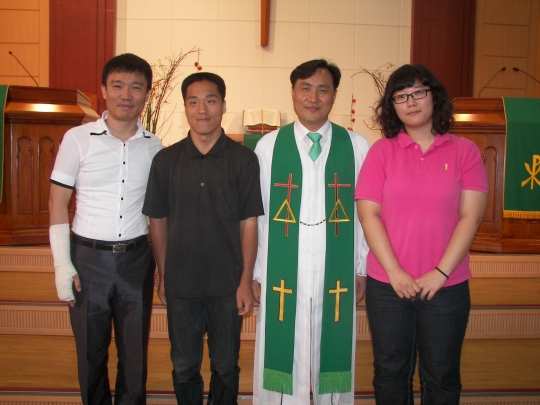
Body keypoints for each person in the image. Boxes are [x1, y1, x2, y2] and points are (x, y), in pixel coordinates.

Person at [355, 64, 488, 405]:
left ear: (434, 96)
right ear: (391, 106)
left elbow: (470, 217)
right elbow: (369, 215)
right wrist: (395, 272)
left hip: (446, 286)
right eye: (400, 96)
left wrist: (440, 273)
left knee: (441, 376)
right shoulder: (381, 152)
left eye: (418, 92)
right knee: (390, 372)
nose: (410, 102)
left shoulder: (465, 151)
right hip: (388, 285)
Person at [252, 59, 370, 405]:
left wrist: (361, 267)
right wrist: (258, 271)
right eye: (305, 88)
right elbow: (258, 213)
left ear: (334, 95)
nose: (313, 98)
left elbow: (366, 214)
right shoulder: (268, 147)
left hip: (336, 263)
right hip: (283, 263)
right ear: (293, 93)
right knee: (282, 341)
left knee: (333, 339)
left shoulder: (356, 146)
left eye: (323, 89)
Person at [142, 72, 264, 405]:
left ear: (223, 105)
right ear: (185, 107)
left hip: (228, 285)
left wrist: (245, 280)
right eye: (193, 101)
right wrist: (164, 274)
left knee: (225, 367)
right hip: (182, 285)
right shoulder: (166, 160)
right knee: (184, 367)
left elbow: (249, 222)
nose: (202, 109)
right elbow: (157, 221)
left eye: (210, 101)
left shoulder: (243, 159)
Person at [48, 53, 162, 405]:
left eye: (136, 87)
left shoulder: (155, 147)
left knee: (134, 355)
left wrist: (162, 263)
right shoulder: (77, 139)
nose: (126, 95)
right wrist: (62, 264)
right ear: (103, 90)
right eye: (117, 85)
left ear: (146, 94)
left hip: (136, 260)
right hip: (88, 260)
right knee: (90, 353)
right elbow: (56, 203)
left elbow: (159, 214)